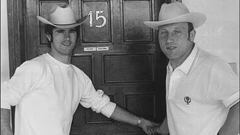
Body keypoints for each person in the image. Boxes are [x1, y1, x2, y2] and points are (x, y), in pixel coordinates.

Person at [1, 4, 158, 135]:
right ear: (49, 36)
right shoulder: (35, 67)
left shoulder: (78, 77)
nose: (67, 37)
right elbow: (3, 97)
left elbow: (104, 105)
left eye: (72, 31)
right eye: (60, 31)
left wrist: (140, 122)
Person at [144, 2, 239, 135]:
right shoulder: (171, 66)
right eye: (164, 33)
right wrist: (161, 130)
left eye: (177, 32)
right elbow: (178, 107)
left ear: (192, 35)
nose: (169, 39)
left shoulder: (212, 67)